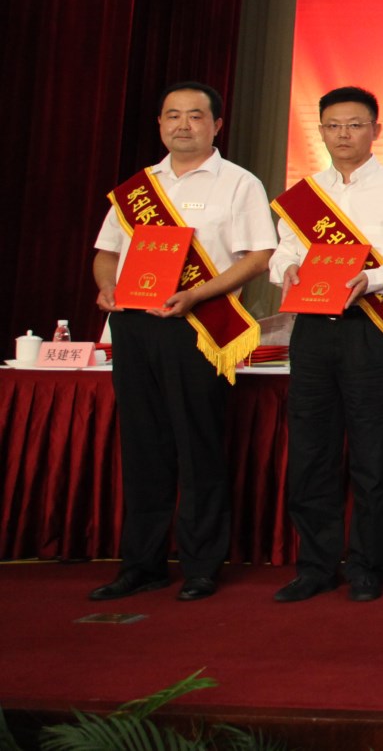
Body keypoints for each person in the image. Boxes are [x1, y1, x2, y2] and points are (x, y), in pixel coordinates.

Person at [88, 81, 277, 603]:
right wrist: (106, 285)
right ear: (159, 124)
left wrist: (196, 293)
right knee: (142, 447)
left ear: (217, 125)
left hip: (199, 325)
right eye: (172, 115)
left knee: (198, 447)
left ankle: (200, 565)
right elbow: (107, 252)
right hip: (134, 325)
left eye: (195, 116)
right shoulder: (138, 188)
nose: (182, 125)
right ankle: (142, 564)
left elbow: (259, 256)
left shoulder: (239, 183)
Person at [267, 86, 383, 603]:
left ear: (376, 130)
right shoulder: (304, 195)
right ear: (320, 131)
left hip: (371, 326)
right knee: (311, 450)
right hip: (313, 329)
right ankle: (315, 565)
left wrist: (372, 279)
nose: (344, 134)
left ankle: (367, 565)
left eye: (355, 125)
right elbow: (282, 253)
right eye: (334, 125)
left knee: (371, 453)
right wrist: (286, 269)